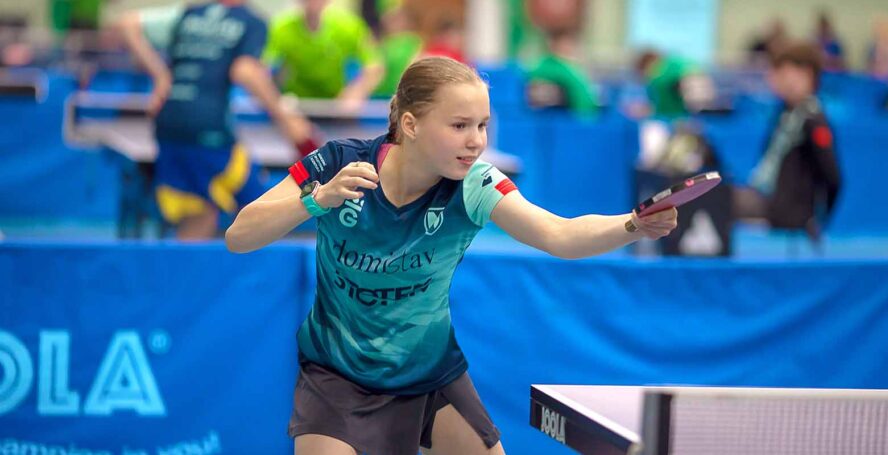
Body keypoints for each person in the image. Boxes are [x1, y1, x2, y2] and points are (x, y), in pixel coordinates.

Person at [225, 57, 677, 455]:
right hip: (337, 373)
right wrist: (317, 200)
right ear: (410, 125)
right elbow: (239, 236)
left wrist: (633, 224)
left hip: (429, 373)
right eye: (460, 126)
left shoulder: (474, 185)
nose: (476, 141)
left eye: (482, 125)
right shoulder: (337, 164)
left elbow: (558, 234)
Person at [117, 0, 316, 239]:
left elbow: (128, 24)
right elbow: (245, 71)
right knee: (260, 202)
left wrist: (161, 76)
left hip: (168, 124)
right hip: (208, 130)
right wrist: (288, 120)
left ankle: (195, 264)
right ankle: (266, 262)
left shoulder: (189, 14)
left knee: (199, 212)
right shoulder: (251, 22)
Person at [737, 42, 841, 238]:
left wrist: (819, 220)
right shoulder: (785, 113)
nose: (772, 79)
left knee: (718, 200)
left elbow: (833, 177)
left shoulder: (813, 120)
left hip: (787, 212)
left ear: (806, 74)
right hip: (764, 198)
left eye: (782, 73)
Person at [264, 0, 384, 111]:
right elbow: (264, 68)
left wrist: (356, 92)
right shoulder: (280, 28)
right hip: (297, 106)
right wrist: (274, 99)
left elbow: (374, 66)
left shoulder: (349, 26)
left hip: (337, 108)